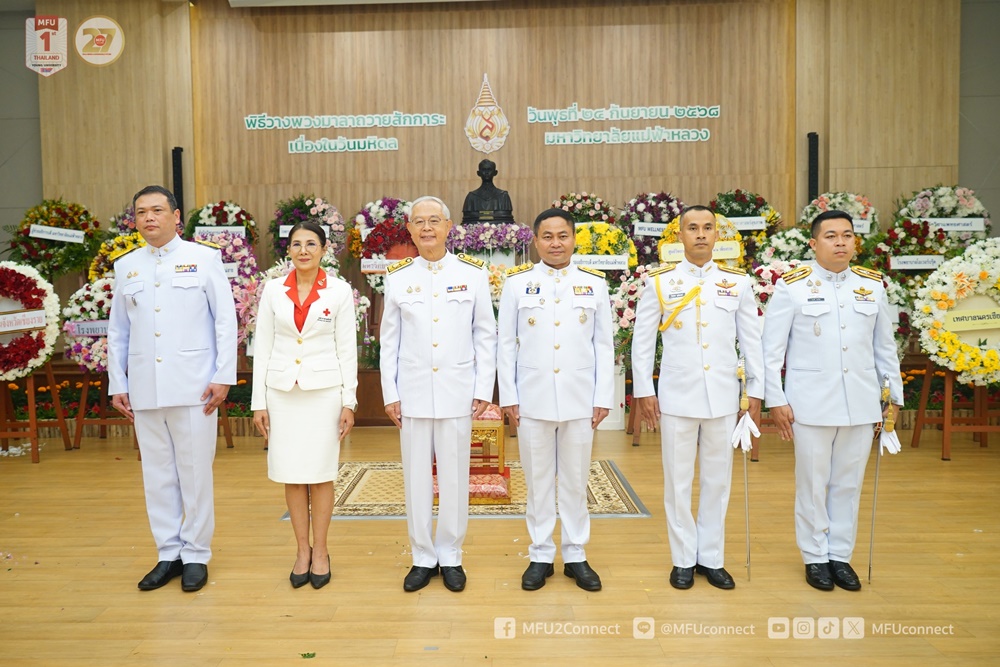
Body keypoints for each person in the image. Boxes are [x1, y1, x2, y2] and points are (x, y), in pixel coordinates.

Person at [762, 209, 902, 592]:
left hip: (861, 401)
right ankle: (814, 556)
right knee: (812, 483)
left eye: (847, 235)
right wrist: (776, 398)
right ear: (813, 243)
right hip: (810, 404)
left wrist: (892, 397)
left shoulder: (872, 285)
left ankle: (840, 555)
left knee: (848, 484)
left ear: (855, 241)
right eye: (831, 236)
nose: (840, 242)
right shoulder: (792, 287)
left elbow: (884, 348)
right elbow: (771, 350)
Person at [108, 185, 237, 592]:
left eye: (157, 210)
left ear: (176, 216)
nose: (149, 218)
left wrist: (223, 375)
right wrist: (118, 382)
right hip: (145, 386)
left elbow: (225, 321)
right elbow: (118, 331)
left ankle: (196, 553)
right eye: (141, 212)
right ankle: (168, 552)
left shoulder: (203, 258)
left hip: (195, 385)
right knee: (157, 474)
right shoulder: (126, 266)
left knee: (195, 473)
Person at [631, 205, 763, 591]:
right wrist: (645, 390)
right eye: (693, 228)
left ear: (717, 235)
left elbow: (751, 341)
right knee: (677, 482)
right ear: (680, 236)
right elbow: (643, 342)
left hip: (723, 396)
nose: (701, 234)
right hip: (677, 396)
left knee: (718, 481)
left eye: (708, 228)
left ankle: (712, 558)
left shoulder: (737, 283)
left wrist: (756, 391)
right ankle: (683, 559)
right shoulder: (660, 282)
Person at [380, 195, 497, 592]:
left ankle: (450, 555)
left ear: (449, 227)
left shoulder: (473, 274)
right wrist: (390, 392)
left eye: (434, 220)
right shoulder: (398, 277)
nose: (427, 227)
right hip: (412, 392)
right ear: (410, 230)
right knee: (415, 479)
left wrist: (482, 387)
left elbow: (485, 334)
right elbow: (389, 341)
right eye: (419, 221)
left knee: (454, 477)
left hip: (457, 391)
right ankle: (421, 556)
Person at [497, 208, 614, 592]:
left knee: (577, 480)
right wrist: (509, 396)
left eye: (562, 235)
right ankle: (541, 554)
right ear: (535, 241)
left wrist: (603, 396)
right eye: (547, 236)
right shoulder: (517, 284)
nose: (555, 243)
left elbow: (604, 345)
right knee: (538, 481)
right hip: (532, 398)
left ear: (574, 239)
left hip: (580, 398)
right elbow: (505, 345)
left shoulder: (593, 283)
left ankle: (576, 554)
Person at [251, 221, 358, 590]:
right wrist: (259, 402)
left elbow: (347, 350)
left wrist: (349, 401)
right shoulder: (272, 290)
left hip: (324, 393)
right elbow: (263, 347)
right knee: (292, 474)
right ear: (288, 250)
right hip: (282, 393)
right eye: (296, 244)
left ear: (324, 249)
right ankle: (301, 551)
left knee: (321, 473)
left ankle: (322, 551)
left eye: (311, 244)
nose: (303, 251)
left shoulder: (339, 291)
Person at [461, 159, 515, 224]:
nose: (486, 172)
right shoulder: (471, 197)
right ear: (478, 173)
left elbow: (506, 218)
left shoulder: (503, 196)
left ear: (495, 172)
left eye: (489, 169)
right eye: (483, 170)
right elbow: (468, 219)